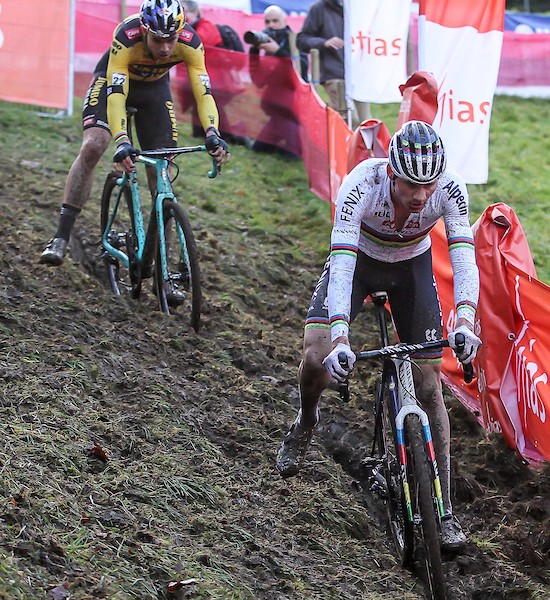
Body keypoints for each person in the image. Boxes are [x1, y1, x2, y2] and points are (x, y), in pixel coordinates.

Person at [276, 120, 482, 552]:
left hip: (412, 268)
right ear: (391, 172)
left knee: (429, 386)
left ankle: (442, 509)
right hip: (360, 262)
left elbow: (464, 257)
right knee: (315, 357)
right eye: (410, 184)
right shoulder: (360, 185)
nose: (421, 196)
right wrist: (339, 335)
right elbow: (343, 261)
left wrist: (465, 319)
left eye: (429, 185)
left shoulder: (451, 187)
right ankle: (307, 421)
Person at [40, 0, 229, 266]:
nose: (165, 48)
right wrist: (122, 141)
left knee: (162, 170)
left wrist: (212, 131)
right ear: (144, 31)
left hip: (153, 91)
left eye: (171, 40)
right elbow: (117, 95)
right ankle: (61, 237)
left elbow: (203, 91)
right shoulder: (126, 37)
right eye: (157, 40)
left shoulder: (190, 41)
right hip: (113, 81)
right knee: (95, 144)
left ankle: (162, 264)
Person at [296, 0, 370, 129]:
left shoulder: (359, 7)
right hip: (335, 73)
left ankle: (363, 149)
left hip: (359, 74)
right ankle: (342, 148)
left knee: (365, 122)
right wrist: (324, 42)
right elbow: (302, 40)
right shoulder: (319, 8)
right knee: (349, 120)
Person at [247, 5, 308, 156]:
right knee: (258, 151)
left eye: (275, 21)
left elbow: (301, 72)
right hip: (275, 111)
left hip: (291, 112)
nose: (271, 25)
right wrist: (254, 52)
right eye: (267, 22)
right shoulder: (267, 43)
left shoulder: (295, 41)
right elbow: (258, 81)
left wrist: (279, 52)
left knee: (291, 155)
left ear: (285, 21)